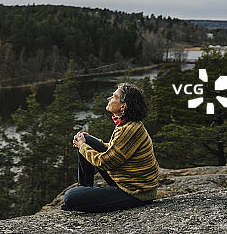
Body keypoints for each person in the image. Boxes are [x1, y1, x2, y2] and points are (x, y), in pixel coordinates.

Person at [62, 82, 159, 212]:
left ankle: (83, 195)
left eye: (113, 97)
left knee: (70, 197)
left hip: (135, 192)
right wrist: (86, 142)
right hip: (128, 181)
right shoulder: (129, 125)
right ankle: (85, 190)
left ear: (123, 106)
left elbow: (105, 162)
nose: (109, 98)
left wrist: (83, 147)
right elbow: (116, 149)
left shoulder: (129, 130)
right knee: (87, 140)